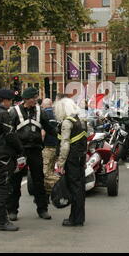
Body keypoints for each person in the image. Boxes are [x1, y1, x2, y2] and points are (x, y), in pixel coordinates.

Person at [7, 87, 56, 221]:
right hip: (19, 152)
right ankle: (12, 210)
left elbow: (49, 128)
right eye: (34, 98)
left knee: (38, 180)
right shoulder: (14, 112)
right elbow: (9, 131)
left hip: (35, 150)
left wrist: (61, 137)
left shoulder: (41, 111)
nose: (36, 100)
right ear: (26, 99)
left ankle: (42, 209)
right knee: (15, 181)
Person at [0, 89, 24, 231]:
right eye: (11, 101)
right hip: (4, 155)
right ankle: (2, 221)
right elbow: (11, 135)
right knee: (3, 188)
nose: (12, 103)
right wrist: (21, 150)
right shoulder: (3, 114)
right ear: (6, 100)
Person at [54, 97, 88, 226]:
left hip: (71, 158)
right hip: (80, 157)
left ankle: (75, 219)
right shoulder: (81, 121)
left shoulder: (67, 123)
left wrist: (61, 163)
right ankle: (79, 217)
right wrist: (84, 159)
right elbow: (84, 142)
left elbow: (65, 145)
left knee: (74, 188)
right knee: (79, 188)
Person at [41, 98, 60, 196]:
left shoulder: (43, 115)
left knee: (45, 172)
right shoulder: (57, 115)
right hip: (56, 146)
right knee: (51, 169)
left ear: (43, 105)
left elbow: (43, 133)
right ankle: (50, 192)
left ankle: (61, 183)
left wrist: (40, 144)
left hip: (47, 146)